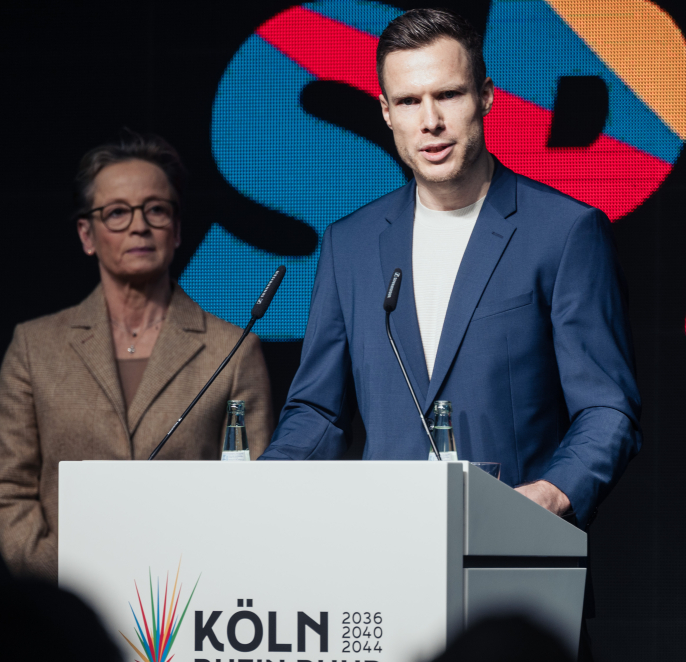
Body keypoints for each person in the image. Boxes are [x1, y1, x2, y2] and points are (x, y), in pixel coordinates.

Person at [261, 9, 640, 528]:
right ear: (386, 112)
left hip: (512, 554)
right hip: (380, 558)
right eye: (409, 101)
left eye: (449, 95)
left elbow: (606, 408)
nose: (430, 121)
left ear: (485, 96)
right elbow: (319, 414)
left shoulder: (565, 232)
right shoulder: (348, 245)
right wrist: (255, 495)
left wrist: (550, 497)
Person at [0, 133, 273, 579]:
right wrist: (57, 580)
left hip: (192, 599)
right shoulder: (35, 347)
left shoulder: (231, 350)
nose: (139, 226)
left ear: (176, 229)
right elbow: (8, 487)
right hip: (72, 610)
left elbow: (254, 492)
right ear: (87, 234)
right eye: (117, 212)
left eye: (155, 209)